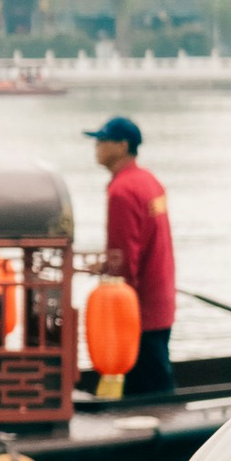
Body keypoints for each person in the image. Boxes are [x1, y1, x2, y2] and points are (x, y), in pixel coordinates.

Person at [87, 114, 177, 398]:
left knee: (149, 390)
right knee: (158, 371)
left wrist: (118, 297)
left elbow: (123, 258)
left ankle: (167, 438)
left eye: (102, 141)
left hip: (139, 308)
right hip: (160, 295)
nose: (96, 147)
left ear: (122, 146)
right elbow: (144, 242)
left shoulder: (123, 191)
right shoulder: (150, 182)